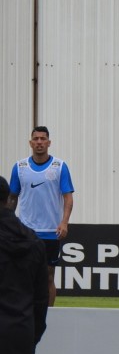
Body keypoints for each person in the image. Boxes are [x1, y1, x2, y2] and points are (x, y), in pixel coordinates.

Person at [7, 126, 75, 306]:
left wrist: (64, 222)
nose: (39, 142)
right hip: (26, 232)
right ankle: (26, 314)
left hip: (51, 231)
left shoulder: (59, 166)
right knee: (24, 275)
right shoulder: (20, 167)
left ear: (49, 142)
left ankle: (48, 314)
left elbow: (68, 197)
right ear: (30, 142)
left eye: (42, 139)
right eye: (35, 139)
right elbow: (12, 198)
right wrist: (7, 223)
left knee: (48, 276)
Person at [0, 175, 48, 354]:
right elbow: (41, 303)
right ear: (9, 199)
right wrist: (32, 341)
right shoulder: (33, 242)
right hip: (19, 336)